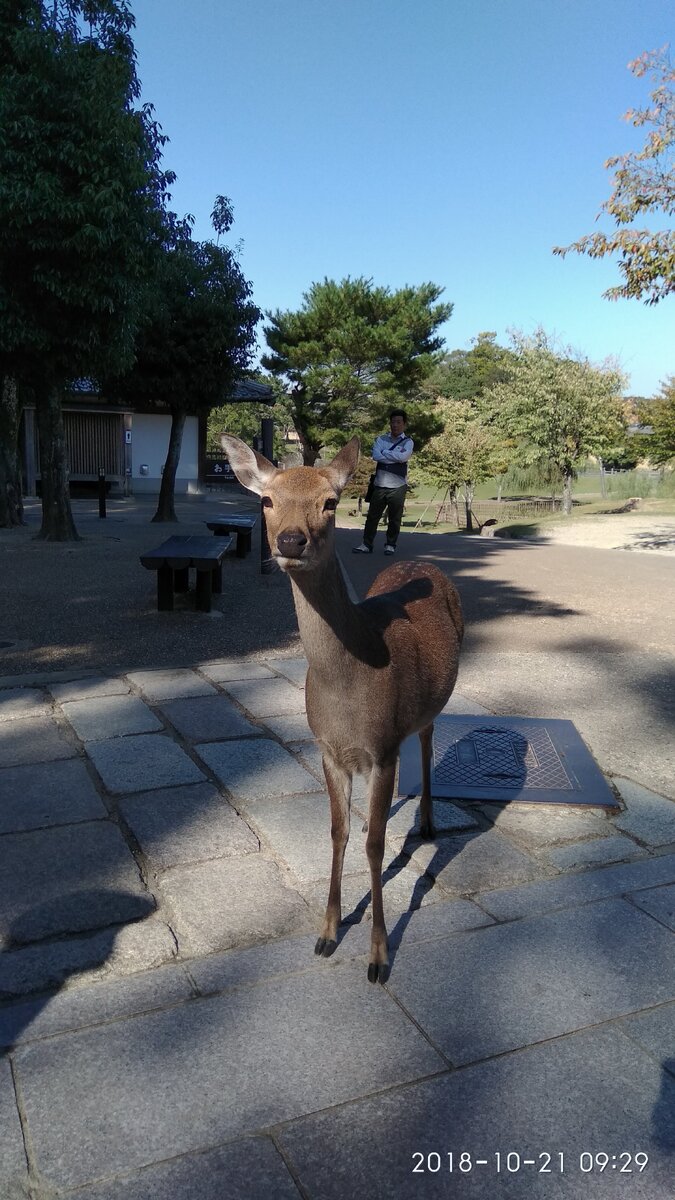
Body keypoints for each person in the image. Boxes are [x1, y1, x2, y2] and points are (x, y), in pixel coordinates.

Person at [352, 409, 413, 554]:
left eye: (398, 422)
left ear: (404, 424)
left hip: (398, 486)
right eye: (393, 422)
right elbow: (376, 456)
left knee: (394, 518)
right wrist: (393, 456)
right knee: (372, 516)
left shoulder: (408, 442)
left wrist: (386, 453)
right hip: (379, 485)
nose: (395, 425)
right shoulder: (381, 439)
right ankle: (367, 544)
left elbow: (403, 458)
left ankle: (390, 544)